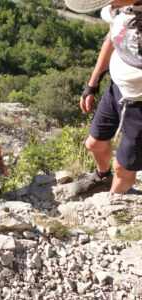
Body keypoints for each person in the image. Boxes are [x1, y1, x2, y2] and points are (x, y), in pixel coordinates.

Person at [65, 0, 142, 194]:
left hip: (139, 102)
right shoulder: (119, 8)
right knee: (94, 144)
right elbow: (111, 39)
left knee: (122, 167)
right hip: (116, 87)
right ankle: (102, 177)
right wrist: (93, 83)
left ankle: (111, 206)